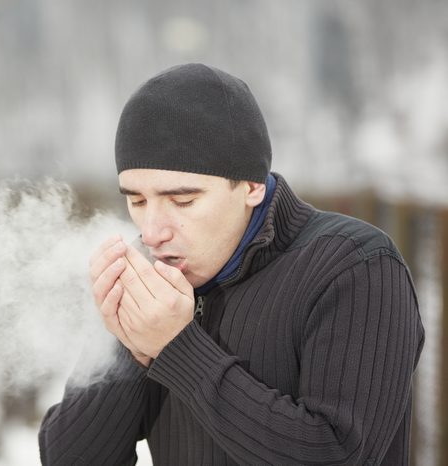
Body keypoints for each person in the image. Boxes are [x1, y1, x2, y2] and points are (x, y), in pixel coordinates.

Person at [38, 63, 424, 465]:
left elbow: (338, 456)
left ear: (252, 186)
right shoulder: (150, 277)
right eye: (136, 201)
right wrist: (132, 348)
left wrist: (176, 347)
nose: (152, 230)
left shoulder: (355, 267)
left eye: (182, 200)